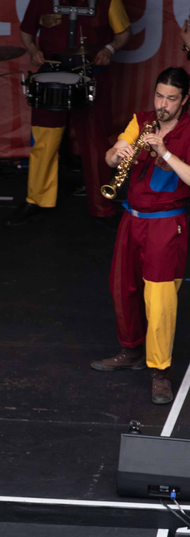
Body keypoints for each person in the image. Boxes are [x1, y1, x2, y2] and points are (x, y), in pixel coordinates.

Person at [6, 0, 131, 227]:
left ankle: (102, 205)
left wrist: (109, 50)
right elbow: (26, 31)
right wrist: (34, 50)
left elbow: (124, 33)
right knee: (44, 142)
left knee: (96, 143)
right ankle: (36, 200)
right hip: (50, 78)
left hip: (92, 78)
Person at [91, 68, 190, 405]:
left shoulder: (189, 129)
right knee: (123, 287)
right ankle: (130, 350)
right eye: (159, 95)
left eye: (171, 98)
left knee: (160, 301)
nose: (163, 104)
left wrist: (163, 152)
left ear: (185, 100)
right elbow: (111, 153)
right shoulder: (141, 120)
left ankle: (160, 371)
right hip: (132, 220)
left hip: (166, 224)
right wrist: (117, 154)